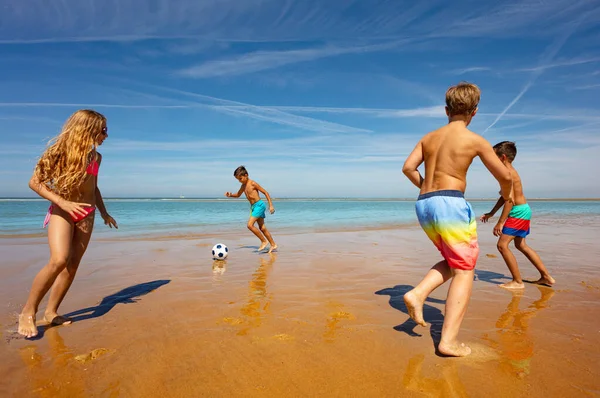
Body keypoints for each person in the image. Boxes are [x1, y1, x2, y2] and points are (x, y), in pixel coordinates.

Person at [401, 82, 513, 357]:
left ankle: (418, 294)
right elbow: (506, 176)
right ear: (474, 111)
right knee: (465, 269)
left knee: (457, 261)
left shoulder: (428, 138)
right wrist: (507, 196)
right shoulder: (474, 140)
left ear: (446, 109)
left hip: (424, 204)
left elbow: (407, 168)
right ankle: (447, 342)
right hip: (450, 203)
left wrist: (427, 188)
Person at [18, 109, 118, 338]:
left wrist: (104, 213)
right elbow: (35, 183)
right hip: (63, 211)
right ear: (88, 129)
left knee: (72, 266)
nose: (106, 135)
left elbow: (94, 188)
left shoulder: (96, 157)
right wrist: (63, 203)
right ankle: (28, 311)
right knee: (59, 259)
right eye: (103, 130)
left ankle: (51, 312)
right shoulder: (59, 152)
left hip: (88, 213)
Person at [480, 141, 555, 289]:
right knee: (521, 245)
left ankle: (517, 282)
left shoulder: (508, 174)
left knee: (502, 245)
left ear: (502, 158)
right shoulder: (510, 172)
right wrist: (491, 213)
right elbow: (504, 196)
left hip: (518, 212)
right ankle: (546, 277)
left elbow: (509, 200)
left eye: (494, 157)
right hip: (524, 210)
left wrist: (500, 222)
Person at [225, 166, 277, 253]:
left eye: (240, 178)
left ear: (246, 175)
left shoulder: (253, 183)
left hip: (259, 205)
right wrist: (230, 195)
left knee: (249, 225)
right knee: (262, 228)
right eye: (238, 179)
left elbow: (265, 192)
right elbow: (238, 195)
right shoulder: (243, 186)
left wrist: (271, 205)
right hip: (253, 207)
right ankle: (273, 244)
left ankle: (264, 241)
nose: (239, 181)